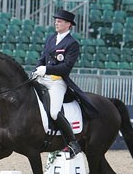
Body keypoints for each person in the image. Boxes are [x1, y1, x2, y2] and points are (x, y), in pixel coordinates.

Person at [33, 9, 99, 159]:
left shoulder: (72, 44)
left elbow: (66, 67)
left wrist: (47, 69)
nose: (56, 22)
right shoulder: (51, 38)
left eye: (60, 21)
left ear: (68, 24)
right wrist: (37, 68)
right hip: (43, 77)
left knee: (55, 112)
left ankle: (72, 143)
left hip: (57, 81)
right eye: (56, 20)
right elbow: (43, 57)